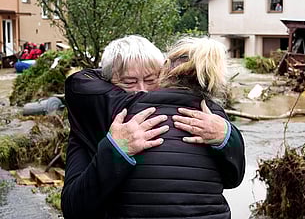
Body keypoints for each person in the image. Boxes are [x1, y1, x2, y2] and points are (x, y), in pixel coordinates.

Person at [62, 35, 245, 219]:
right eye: (129, 82)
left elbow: (231, 178)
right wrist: (115, 150)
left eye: (151, 80)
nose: (142, 90)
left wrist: (226, 136)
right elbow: (74, 207)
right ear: (106, 84)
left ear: (165, 73)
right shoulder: (98, 116)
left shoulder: (210, 120)